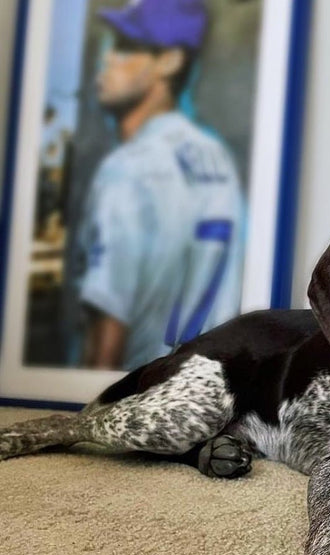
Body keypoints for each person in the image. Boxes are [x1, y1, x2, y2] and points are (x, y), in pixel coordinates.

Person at [80, 0, 245, 370]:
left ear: (169, 61)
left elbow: (108, 332)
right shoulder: (215, 157)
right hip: (204, 385)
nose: (108, 58)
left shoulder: (129, 167)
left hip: (139, 385)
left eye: (126, 47)